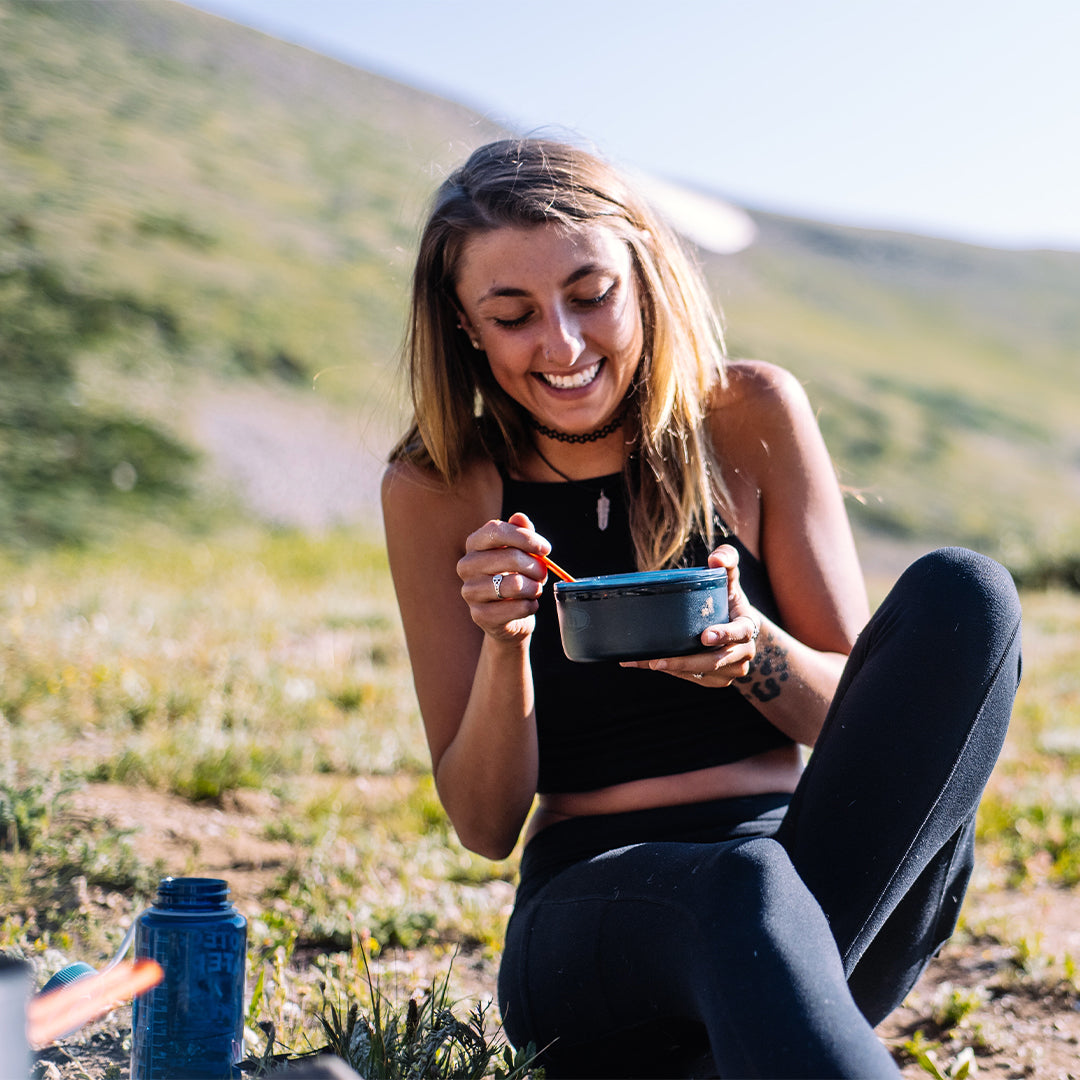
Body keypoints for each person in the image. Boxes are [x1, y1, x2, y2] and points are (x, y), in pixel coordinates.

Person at [380, 138, 1022, 1079]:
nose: (561, 345)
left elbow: (861, 726)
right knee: (740, 889)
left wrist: (754, 652)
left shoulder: (748, 415)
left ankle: (750, 1043)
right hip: (593, 927)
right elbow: (483, 823)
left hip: (822, 880)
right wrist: (503, 642)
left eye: (591, 295)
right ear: (466, 329)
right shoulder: (439, 486)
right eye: (512, 315)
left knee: (966, 597)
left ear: (644, 278)